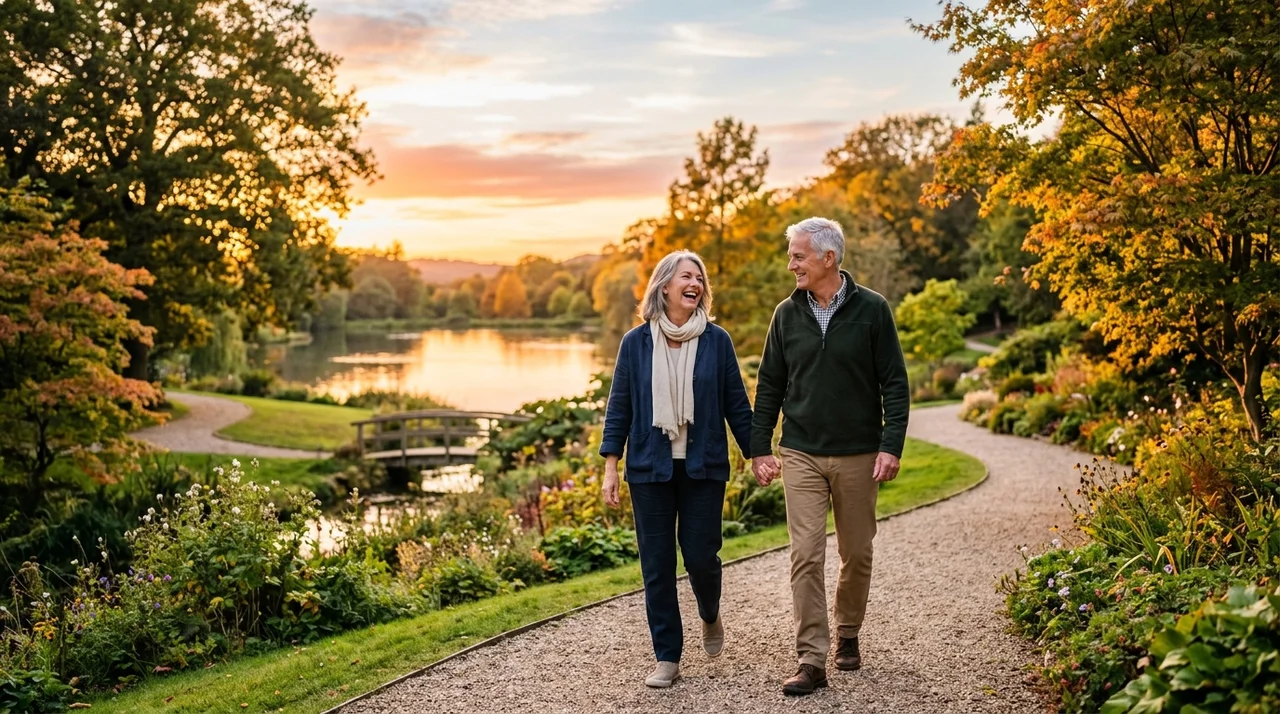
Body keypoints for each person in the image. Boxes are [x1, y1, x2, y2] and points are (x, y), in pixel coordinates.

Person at [749, 217, 910, 696]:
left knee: (857, 552)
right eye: (791, 255)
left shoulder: (873, 310)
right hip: (800, 451)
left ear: (828, 258)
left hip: (859, 452)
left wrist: (890, 444)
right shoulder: (785, 314)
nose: (791, 263)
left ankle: (848, 632)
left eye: (798, 255)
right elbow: (770, 385)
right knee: (805, 554)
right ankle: (811, 658)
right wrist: (759, 447)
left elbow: (895, 384)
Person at [600, 250, 756, 689]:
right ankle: (667, 656)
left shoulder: (716, 341)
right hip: (650, 468)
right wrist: (611, 466)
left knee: (702, 557)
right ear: (664, 285)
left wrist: (757, 453)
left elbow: (736, 406)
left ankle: (710, 612)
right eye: (687, 276)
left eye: (700, 278)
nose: (696, 284)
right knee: (657, 565)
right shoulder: (635, 343)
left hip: (703, 466)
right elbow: (620, 407)